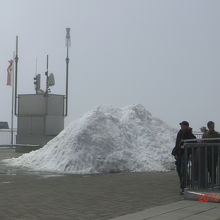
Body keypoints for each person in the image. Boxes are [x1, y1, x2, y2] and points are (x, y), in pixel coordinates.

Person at [172, 121, 196, 194]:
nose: (181, 126)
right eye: (181, 125)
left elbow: (194, 143)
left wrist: (188, 149)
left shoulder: (189, 133)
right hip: (179, 154)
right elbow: (177, 144)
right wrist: (175, 153)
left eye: (182, 125)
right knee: (179, 169)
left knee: (183, 170)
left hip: (185, 154)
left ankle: (184, 187)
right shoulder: (179, 133)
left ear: (186, 126)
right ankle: (187, 183)